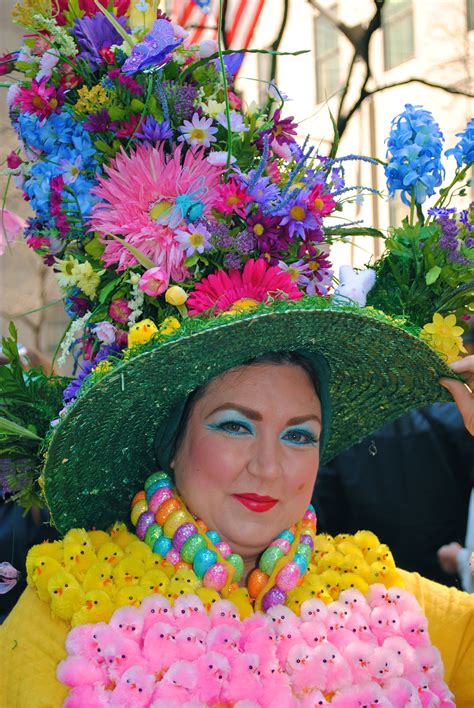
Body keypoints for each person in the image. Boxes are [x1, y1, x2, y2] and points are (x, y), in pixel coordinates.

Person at [312, 401, 473, 586]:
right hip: (445, 576)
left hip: (369, 580)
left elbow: (323, 515)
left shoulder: (341, 430)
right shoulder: (456, 416)